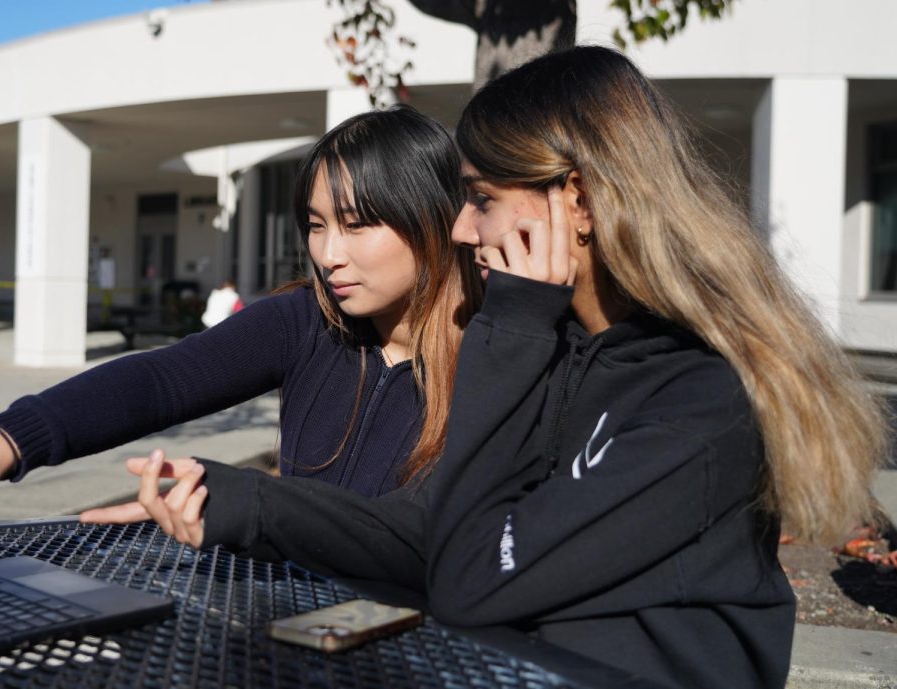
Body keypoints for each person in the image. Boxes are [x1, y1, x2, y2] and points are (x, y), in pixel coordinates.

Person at [122, 47, 890, 689]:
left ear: (577, 203)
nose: (461, 225)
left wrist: (512, 325)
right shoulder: (567, 356)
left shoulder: (697, 398)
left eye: (481, 197)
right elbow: (431, 528)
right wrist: (244, 500)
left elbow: (467, 579)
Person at [0, 105, 482, 521]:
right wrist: (4, 441)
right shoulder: (305, 321)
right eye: (316, 225)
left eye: (358, 224)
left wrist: (248, 507)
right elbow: (162, 379)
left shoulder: (504, 353)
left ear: (434, 218)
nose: (329, 254)